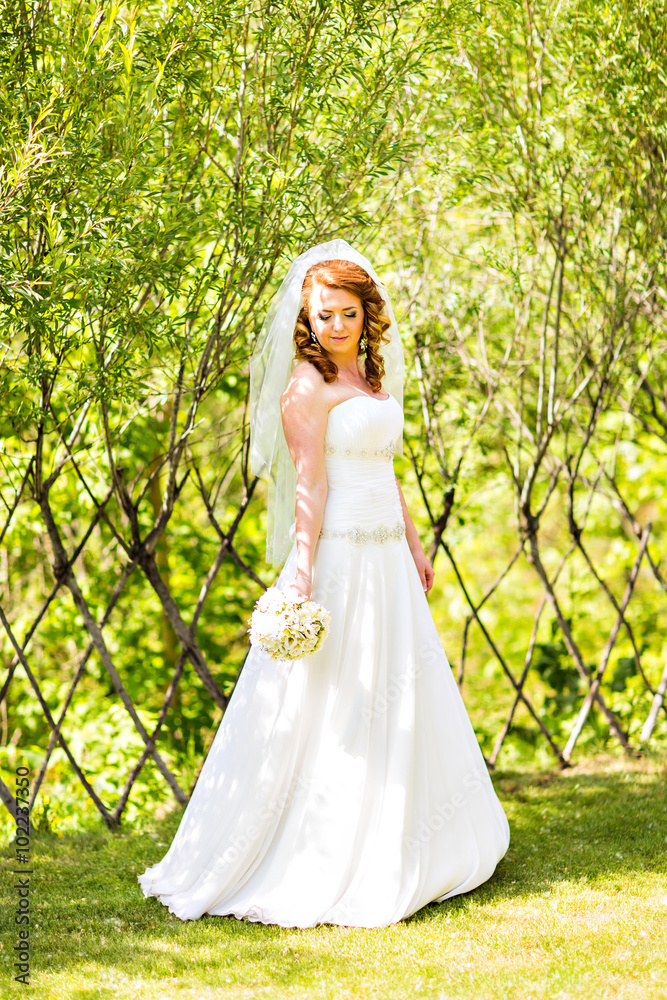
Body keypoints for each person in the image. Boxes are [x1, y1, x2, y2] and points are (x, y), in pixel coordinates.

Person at [138, 239, 510, 928]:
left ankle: (408, 838)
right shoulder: (303, 390)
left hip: (388, 560)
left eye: (346, 314)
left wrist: (412, 541)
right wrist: (302, 573)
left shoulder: (370, 379)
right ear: (305, 318)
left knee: (400, 686)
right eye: (322, 316)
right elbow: (310, 483)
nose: (334, 327)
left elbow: (383, 467)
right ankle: (324, 847)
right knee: (333, 700)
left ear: (367, 315)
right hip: (338, 555)